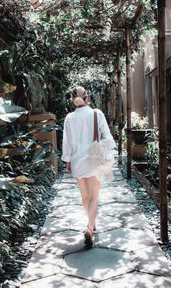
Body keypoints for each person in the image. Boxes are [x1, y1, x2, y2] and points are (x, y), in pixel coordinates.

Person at [61, 86, 116, 247]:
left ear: (73, 101)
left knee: (85, 196)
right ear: (86, 98)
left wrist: (68, 160)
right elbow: (107, 137)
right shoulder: (96, 114)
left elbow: (67, 142)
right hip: (93, 161)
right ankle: (90, 227)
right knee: (94, 196)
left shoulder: (69, 118)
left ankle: (91, 222)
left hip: (77, 162)